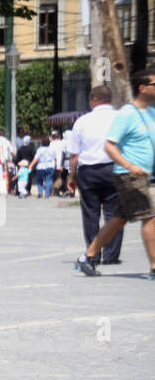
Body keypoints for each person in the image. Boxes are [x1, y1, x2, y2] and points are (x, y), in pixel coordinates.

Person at [74, 67, 155, 279]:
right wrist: (130, 166)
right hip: (129, 175)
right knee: (150, 217)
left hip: (142, 175)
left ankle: (88, 256)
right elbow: (109, 146)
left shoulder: (151, 113)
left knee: (118, 219)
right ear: (143, 88)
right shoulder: (127, 113)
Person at [67, 85, 121, 264]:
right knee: (114, 214)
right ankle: (111, 255)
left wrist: (71, 177)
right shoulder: (120, 118)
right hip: (114, 169)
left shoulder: (82, 121)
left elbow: (74, 155)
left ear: (95, 99)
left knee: (91, 213)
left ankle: (93, 253)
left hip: (89, 171)